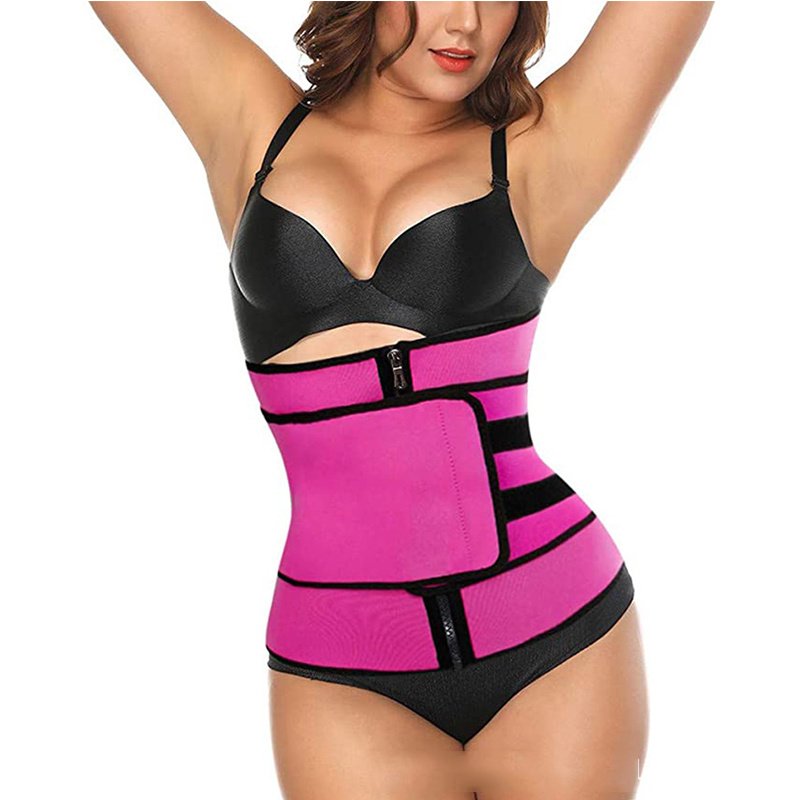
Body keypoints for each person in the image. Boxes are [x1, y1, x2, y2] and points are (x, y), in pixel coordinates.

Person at [89, 2, 714, 797]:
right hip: (343, 665)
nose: (467, 24)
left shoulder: (539, 148)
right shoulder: (253, 122)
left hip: (554, 636)